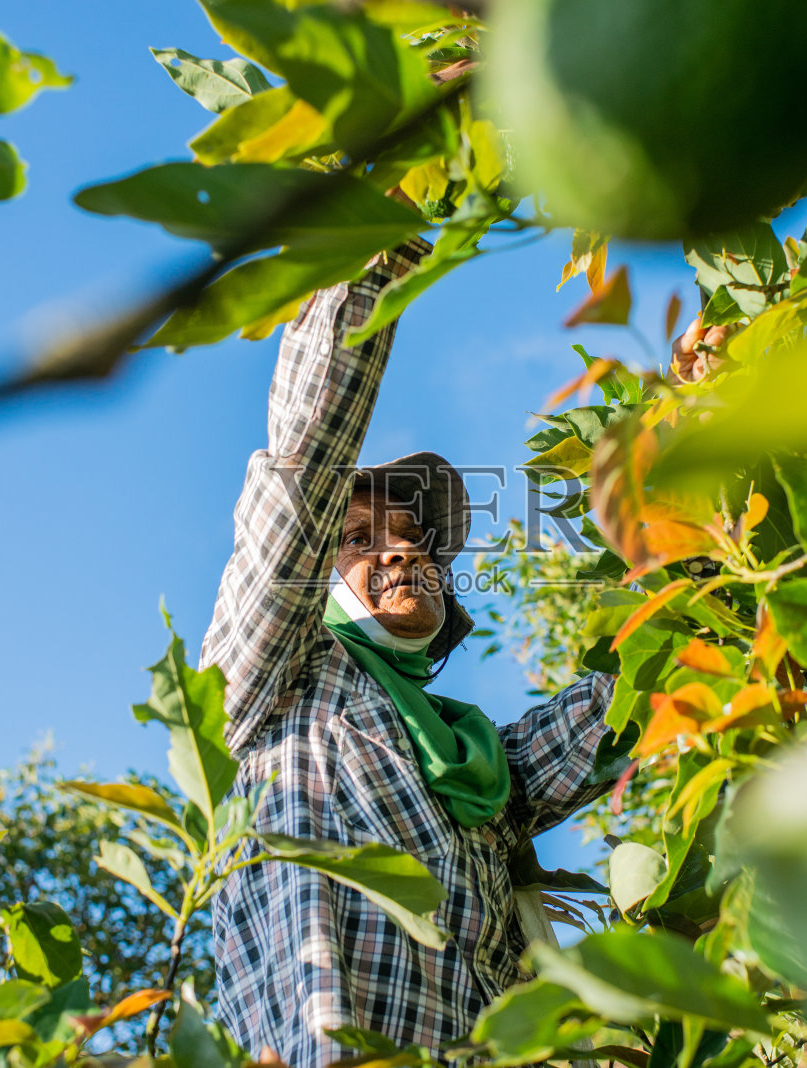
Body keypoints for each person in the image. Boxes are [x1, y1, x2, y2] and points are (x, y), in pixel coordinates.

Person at [201, 239, 620, 1068]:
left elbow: (625, 703)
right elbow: (301, 473)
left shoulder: (480, 765)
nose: (398, 553)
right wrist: (369, 247)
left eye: (411, 538)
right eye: (357, 538)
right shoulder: (271, 682)